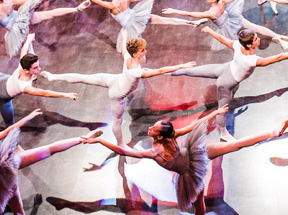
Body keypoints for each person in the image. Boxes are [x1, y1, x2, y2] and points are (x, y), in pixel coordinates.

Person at [80, 109, 288, 215]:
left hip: (193, 163)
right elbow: (124, 151)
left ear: (161, 136)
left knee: (232, 147)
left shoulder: (156, 150)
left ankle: (273, 132)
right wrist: (213, 113)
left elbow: (124, 151)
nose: (150, 128)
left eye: (154, 128)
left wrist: (98, 143)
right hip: (193, 164)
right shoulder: (166, 141)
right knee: (229, 152)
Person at [43, 38, 194, 143]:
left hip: (114, 79)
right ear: (136, 53)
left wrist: (125, 35)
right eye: (143, 50)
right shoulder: (135, 71)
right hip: (117, 94)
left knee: (84, 78)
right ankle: (120, 143)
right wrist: (181, 66)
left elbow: (123, 48)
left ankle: (53, 77)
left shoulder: (128, 55)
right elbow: (159, 71)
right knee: (118, 120)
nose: (145, 51)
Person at [174, 28, 288, 140]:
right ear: (250, 45)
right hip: (226, 82)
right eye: (256, 39)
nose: (259, 39)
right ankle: (223, 133)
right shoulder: (252, 60)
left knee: (191, 71)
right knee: (223, 109)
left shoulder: (238, 45)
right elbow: (279, 57)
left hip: (225, 68)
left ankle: (165, 71)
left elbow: (223, 40)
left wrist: (209, 30)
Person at [68, 0, 200, 53]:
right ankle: (192, 23)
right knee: (166, 20)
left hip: (131, 26)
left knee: (131, 49)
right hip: (137, 17)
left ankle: (137, 68)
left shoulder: (112, 5)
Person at [161, 0, 287, 47]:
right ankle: (278, 36)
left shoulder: (210, 13)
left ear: (214, 0)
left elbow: (189, 14)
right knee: (254, 27)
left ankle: (245, 58)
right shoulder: (222, 2)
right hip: (232, 18)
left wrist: (174, 10)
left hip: (228, 26)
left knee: (236, 44)